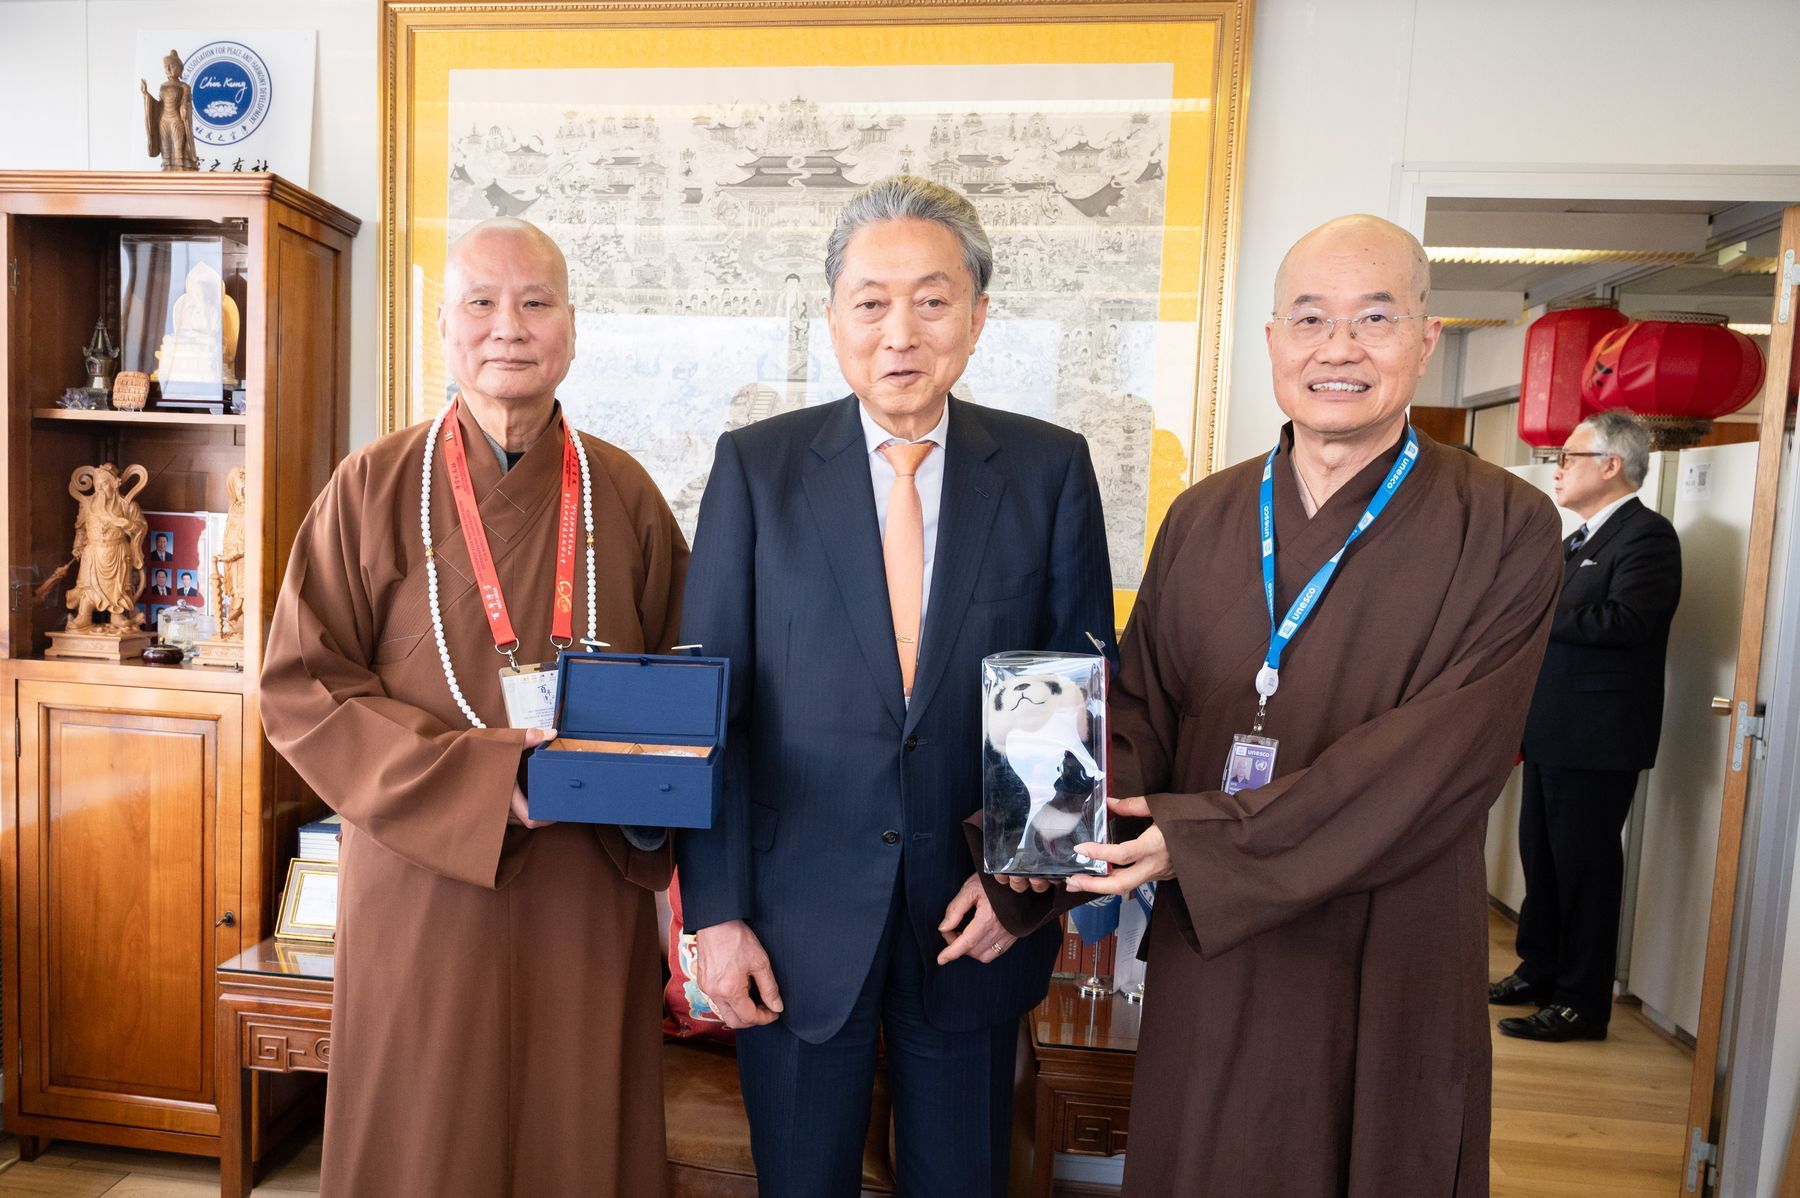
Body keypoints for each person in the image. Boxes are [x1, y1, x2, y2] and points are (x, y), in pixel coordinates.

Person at [997, 215, 1563, 1196]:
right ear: (1272, 341)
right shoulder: (1205, 514)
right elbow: (1142, 709)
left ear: (1426, 338)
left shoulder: (1507, 525)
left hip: (1388, 939)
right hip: (1216, 942)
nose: (1337, 348)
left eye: (1374, 319)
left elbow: (1441, 762)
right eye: (1310, 319)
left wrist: (1201, 840)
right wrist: (1030, 835)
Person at [677, 175, 1113, 1197]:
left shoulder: (1048, 471)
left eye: (932, 299)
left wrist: (1018, 885)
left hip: (973, 920)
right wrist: (717, 916)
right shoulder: (757, 470)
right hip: (791, 920)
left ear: (978, 315)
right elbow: (713, 713)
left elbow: (1075, 699)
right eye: (871, 301)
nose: (900, 332)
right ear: (833, 316)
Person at [260, 217, 686, 1196]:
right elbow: (302, 687)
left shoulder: (624, 495)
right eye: (482, 303)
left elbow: (680, 683)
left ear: (571, 328)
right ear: (445, 329)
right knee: (427, 1138)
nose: (509, 327)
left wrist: (630, 776)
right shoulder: (372, 487)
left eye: (536, 302)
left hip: (587, 878)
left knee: (574, 1127)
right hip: (424, 877)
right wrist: (487, 781)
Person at [1492, 410, 1681, 1041]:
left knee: (1584, 871)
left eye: (1569, 457)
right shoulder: (1577, 540)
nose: (1558, 468)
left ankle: (1581, 1003)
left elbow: (1630, 623)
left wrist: (1534, 613)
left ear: (1611, 466)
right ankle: (1540, 969)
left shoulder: (1646, 536)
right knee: (1543, 861)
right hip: (1551, 730)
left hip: (1599, 736)